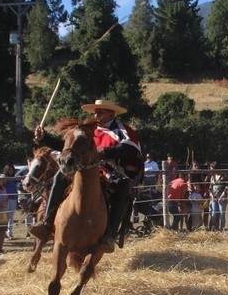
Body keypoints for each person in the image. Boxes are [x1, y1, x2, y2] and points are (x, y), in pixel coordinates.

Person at [30, 99, 143, 254]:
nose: (96, 114)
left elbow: (130, 148)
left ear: (111, 113)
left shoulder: (123, 130)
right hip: (82, 169)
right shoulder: (87, 130)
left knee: (124, 184)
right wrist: (45, 138)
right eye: (95, 112)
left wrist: (103, 153)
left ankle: (109, 235)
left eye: (101, 112)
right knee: (58, 177)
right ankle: (47, 222)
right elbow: (67, 146)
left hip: (110, 171)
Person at [207, 162, 228, 231]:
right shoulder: (212, 177)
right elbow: (210, 187)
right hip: (214, 198)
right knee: (214, 213)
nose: (211, 171)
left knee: (222, 214)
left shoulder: (224, 176)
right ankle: (214, 228)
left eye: (212, 169)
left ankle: (222, 228)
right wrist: (212, 196)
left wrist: (222, 196)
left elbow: (227, 187)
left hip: (222, 198)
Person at [2, 164, 19, 239]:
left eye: (12, 169)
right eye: (9, 169)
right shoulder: (3, 178)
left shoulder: (15, 178)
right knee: (4, 217)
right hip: (5, 199)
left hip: (13, 198)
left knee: (11, 217)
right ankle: (4, 233)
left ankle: (10, 233)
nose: (10, 171)